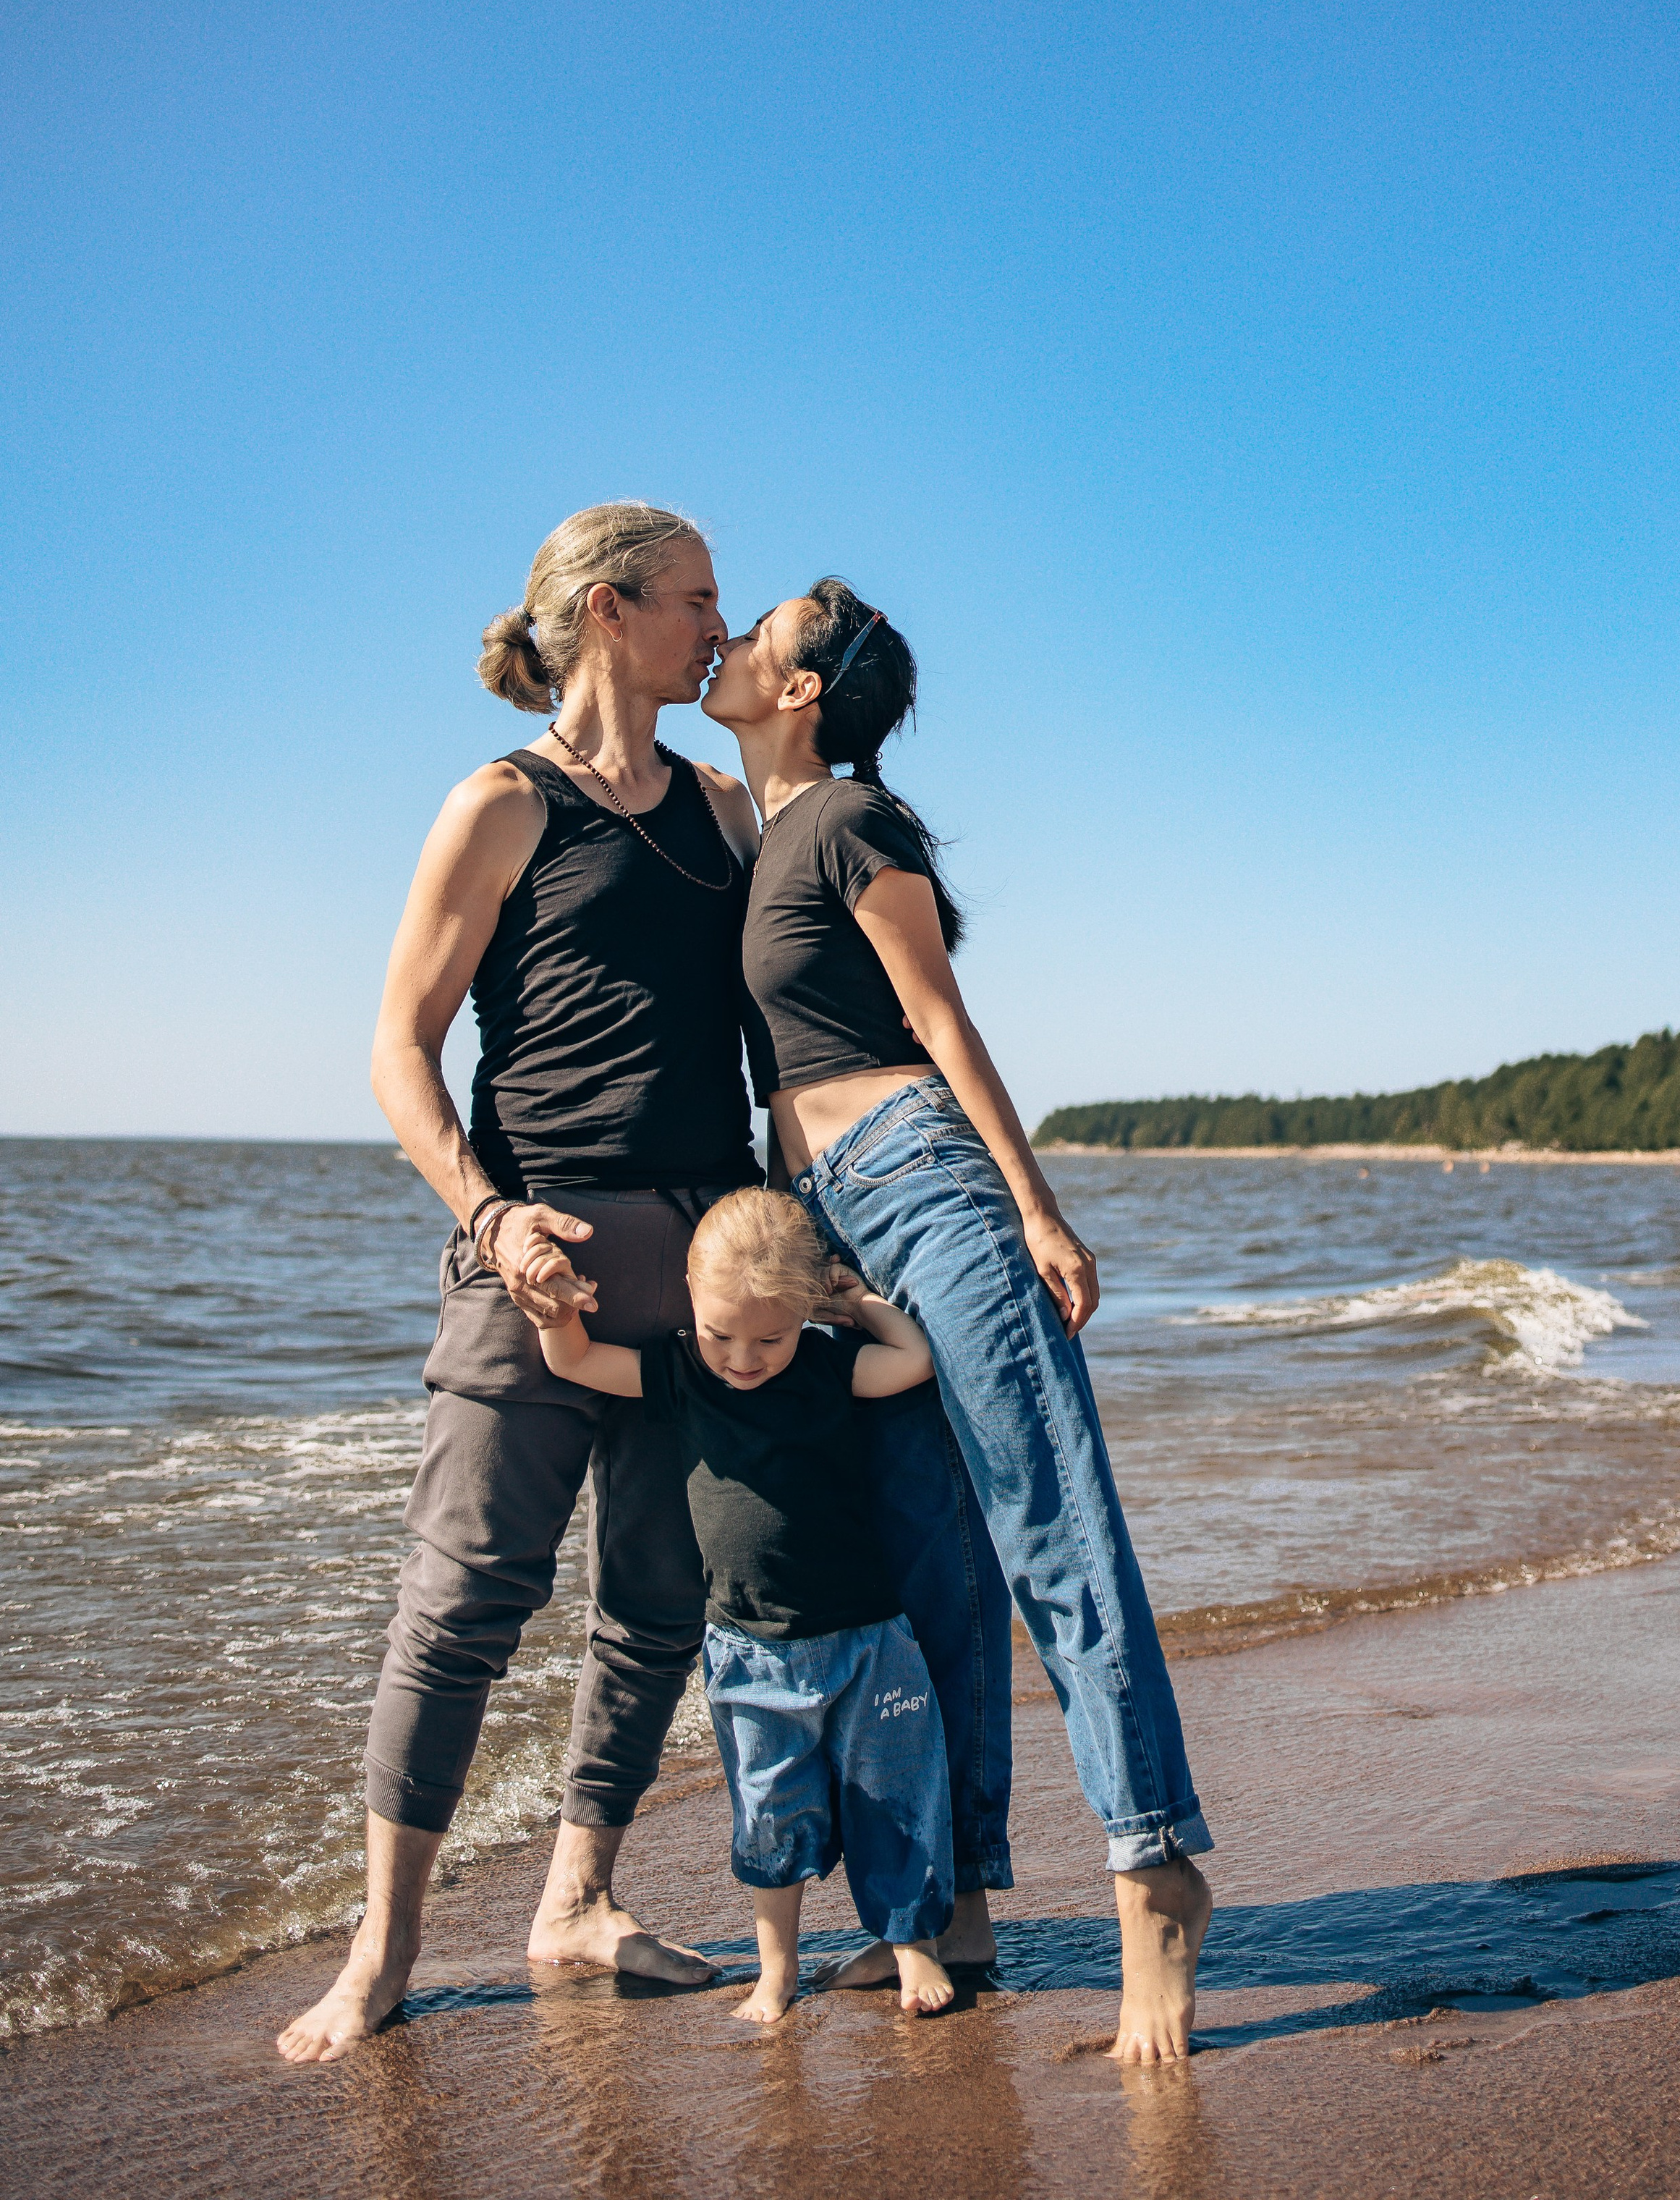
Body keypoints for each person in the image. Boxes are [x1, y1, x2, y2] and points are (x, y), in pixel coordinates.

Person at [703, 579, 1214, 2065]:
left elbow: (938, 1020)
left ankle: (1154, 1875)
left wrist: (1039, 1211)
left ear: (804, 688)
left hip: (929, 1189)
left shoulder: (858, 823)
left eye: (763, 630)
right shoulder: (758, 838)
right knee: (932, 1573)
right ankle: (959, 1906)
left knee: (1050, 1534)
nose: (732, 642)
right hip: (828, 1233)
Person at [280, 502, 763, 2062]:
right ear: (612, 612)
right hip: (535, 1251)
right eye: (697, 600)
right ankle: (384, 1951)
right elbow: (396, 1048)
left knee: (656, 1601)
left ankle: (577, 1900)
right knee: (460, 1605)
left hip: (700, 1260)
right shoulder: (498, 804)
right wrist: (491, 1221)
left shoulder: (721, 809)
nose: (719, 626)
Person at [539, 1185, 959, 2023]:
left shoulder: (827, 1367)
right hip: (747, 1649)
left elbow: (912, 1361)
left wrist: (862, 1305)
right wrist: (555, 1308)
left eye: (769, 1336)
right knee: (770, 1815)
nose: (741, 1356)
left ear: (805, 1311)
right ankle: (778, 1971)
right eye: (720, 1332)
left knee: (899, 1796)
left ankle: (912, 1949)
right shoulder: (681, 1371)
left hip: (869, 1638)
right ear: (689, 1303)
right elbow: (576, 1362)